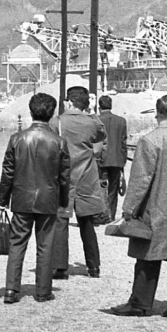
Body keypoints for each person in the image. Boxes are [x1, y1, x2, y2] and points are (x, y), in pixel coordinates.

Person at [109, 94, 167, 320]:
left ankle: (140, 303)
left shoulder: (150, 141)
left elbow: (141, 180)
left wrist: (129, 209)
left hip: (155, 207)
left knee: (147, 255)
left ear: (158, 113)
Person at [0, 93, 71, 303]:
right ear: (52, 113)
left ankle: (11, 290)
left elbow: (8, 173)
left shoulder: (16, 139)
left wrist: (3, 200)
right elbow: (64, 176)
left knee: (17, 243)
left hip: (21, 199)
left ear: (31, 112)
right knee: (45, 244)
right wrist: (64, 201)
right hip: (48, 200)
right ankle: (43, 291)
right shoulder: (59, 142)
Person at [50, 86, 106, 279]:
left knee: (61, 221)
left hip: (63, 176)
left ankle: (60, 267)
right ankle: (93, 266)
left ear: (68, 101)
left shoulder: (56, 122)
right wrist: (90, 112)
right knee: (87, 222)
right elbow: (99, 139)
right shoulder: (91, 123)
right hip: (86, 177)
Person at [98, 95, 128, 222]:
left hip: (100, 160)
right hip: (116, 160)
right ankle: (111, 214)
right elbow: (123, 142)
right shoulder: (121, 121)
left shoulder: (96, 120)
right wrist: (123, 160)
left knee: (101, 187)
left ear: (99, 107)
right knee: (113, 188)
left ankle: (102, 214)